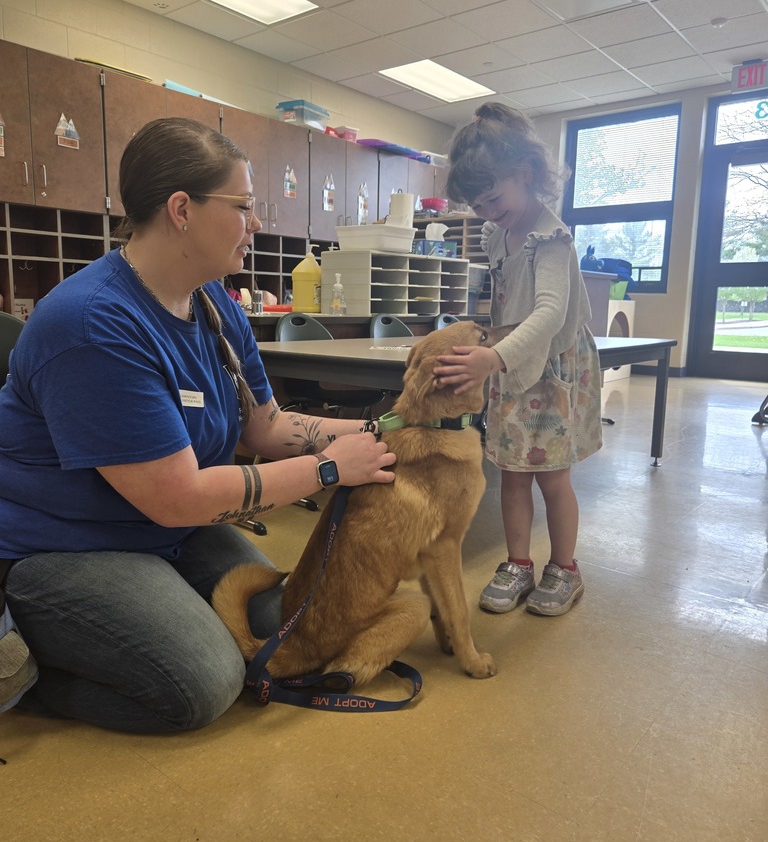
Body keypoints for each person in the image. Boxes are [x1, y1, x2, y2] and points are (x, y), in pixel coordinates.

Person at [0, 117, 395, 734]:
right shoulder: (92, 324)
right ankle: (24, 662)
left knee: (283, 626)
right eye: (242, 206)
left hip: (162, 528)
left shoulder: (215, 305)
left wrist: (376, 430)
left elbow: (263, 426)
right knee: (202, 684)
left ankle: (148, 615)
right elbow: (177, 497)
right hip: (62, 543)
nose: (257, 223)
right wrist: (327, 468)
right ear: (181, 209)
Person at [433, 103, 602, 617]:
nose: (486, 212)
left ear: (525, 175)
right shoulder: (495, 234)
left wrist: (492, 356)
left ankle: (565, 569)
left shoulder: (551, 238)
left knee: (553, 478)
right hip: (510, 364)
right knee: (511, 475)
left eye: (492, 199)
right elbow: (507, 300)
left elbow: (550, 313)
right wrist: (490, 347)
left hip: (549, 368)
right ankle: (518, 563)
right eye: (477, 205)